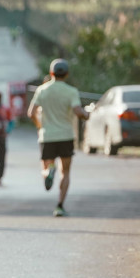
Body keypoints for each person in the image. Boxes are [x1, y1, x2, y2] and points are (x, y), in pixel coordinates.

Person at [27, 58, 90, 217]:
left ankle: (49, 172)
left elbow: (31, 113)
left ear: (51, 73)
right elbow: (78, 112)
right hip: (66, 136)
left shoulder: (42, 90)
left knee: (45, 167)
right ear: (67, 74)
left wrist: (39, 126)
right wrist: (86, 115)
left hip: (47, 135)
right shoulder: (71, 91)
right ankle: (60, 205)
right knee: (65, 172)